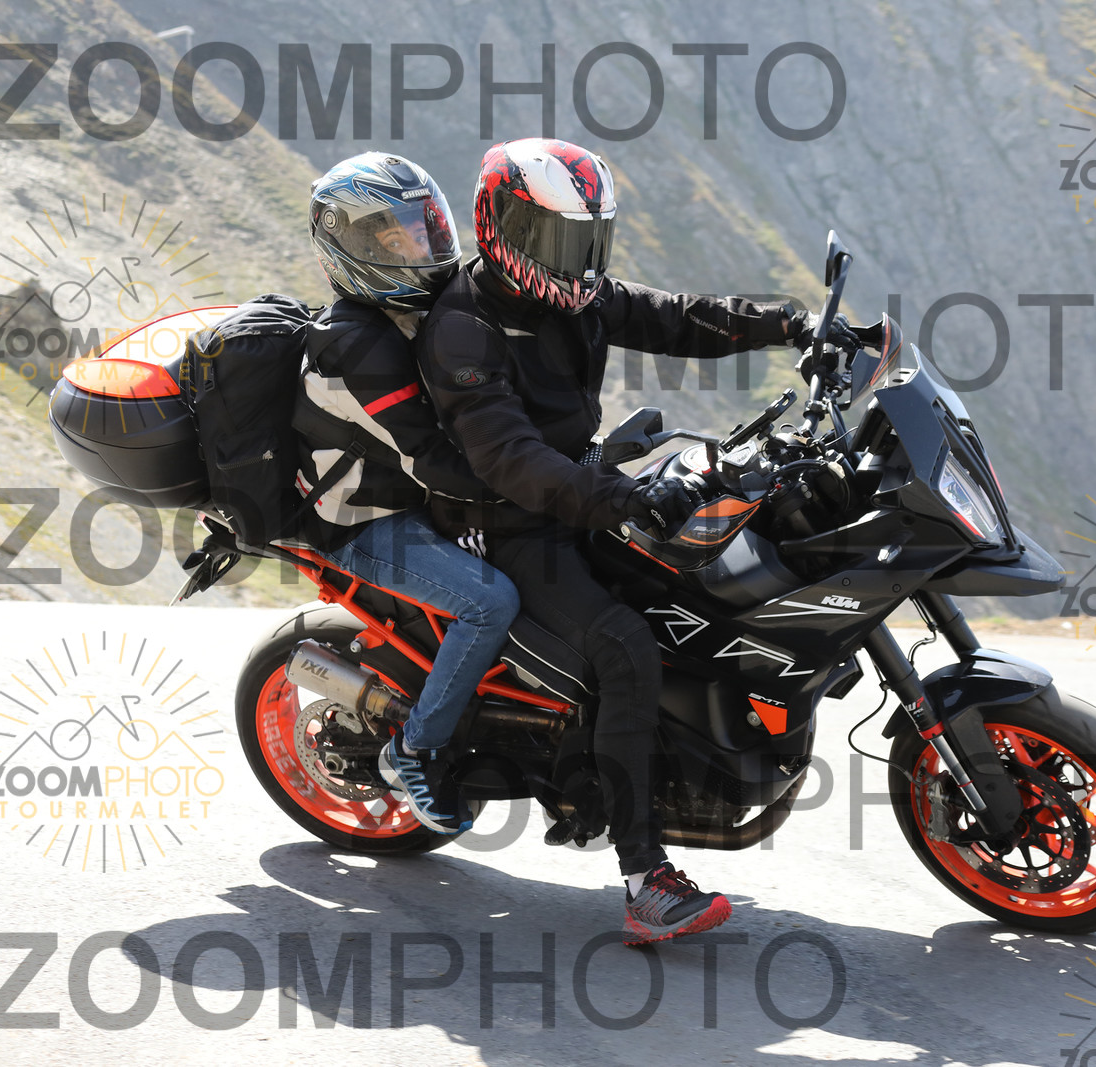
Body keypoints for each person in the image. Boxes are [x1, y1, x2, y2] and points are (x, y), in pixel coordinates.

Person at [414, 138, 851, 944]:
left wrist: (790, 325)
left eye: (589, 240)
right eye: (558, 240)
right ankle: (646, 879)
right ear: (501, 227)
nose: (577, 261)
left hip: (576, 488)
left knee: (697, 580)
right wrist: (624, 498)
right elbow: (512, 460)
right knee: (624, 646)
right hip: (506, 521)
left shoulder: (575, 296)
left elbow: (675, 315)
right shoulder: (463, 330)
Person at [298, 151, 520, 835]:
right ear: (352, 247)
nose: (418, 250)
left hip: (411, 501)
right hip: (364, 522)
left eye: (423, 230)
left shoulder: (410, 315)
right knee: (489, 603)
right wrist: (546, 483)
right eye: (395, 239)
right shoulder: (354, 346)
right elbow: (434, 462)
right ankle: (414, 749)